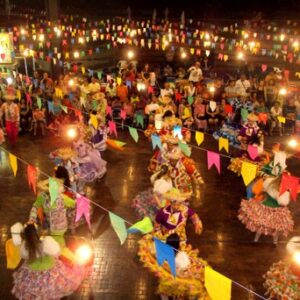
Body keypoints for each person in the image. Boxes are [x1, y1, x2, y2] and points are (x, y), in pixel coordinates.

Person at [10, 223, 90, 300]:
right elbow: (56, 252)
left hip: (31, 273)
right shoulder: (46, 241)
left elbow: (24, 256)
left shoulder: (25, 245)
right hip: (49, 271)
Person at [238, 175, 294, 244]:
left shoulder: (270, 181)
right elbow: (283, 203)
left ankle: (256, 240)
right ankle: (275, 242)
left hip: (264, 205)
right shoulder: (284, 191)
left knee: (261, 224)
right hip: (275, 210)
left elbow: (263, 188)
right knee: (276, 227)